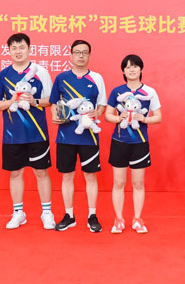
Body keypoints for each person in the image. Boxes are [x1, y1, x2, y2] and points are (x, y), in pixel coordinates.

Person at [0, 33, 55, 230]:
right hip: (12, 135)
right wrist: (11, 101)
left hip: (37, 133)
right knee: (15, 173)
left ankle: (46, 213)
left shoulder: (40, 72)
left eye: (22, 47)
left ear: (29, 49)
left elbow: (50, 100)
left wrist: (34, 101)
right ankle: (18, 213)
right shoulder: (3, 75)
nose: (18, 51)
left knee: (41, 172)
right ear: (9, 51)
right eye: (14, 48)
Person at [49, 40, 106, 232]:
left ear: (89, 55)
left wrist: (98, 113)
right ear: (71, 55)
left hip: (89, 137)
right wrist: (55, 116)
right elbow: (54, 102)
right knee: (67, 176)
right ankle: (69, 215)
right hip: (65, 136)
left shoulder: (96, 78)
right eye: (77, 52)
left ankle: (92, 215)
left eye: (85, 52)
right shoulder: (61, 78)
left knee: (90, 176)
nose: (81, 55)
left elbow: (102, 104)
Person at [104, 54, 162, 234]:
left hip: (140, 143)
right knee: (118, 182)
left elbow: (158, 117)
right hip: (119, 142)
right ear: (123, 71)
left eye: (135, 66)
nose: (132, 69)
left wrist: (144, 119)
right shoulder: (117, 92)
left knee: (138, 183)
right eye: (128, 67)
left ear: (141, 69)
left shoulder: (149, 92)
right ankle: (119, 219)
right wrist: (118, 118)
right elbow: (107, 115)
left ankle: (137, 219)